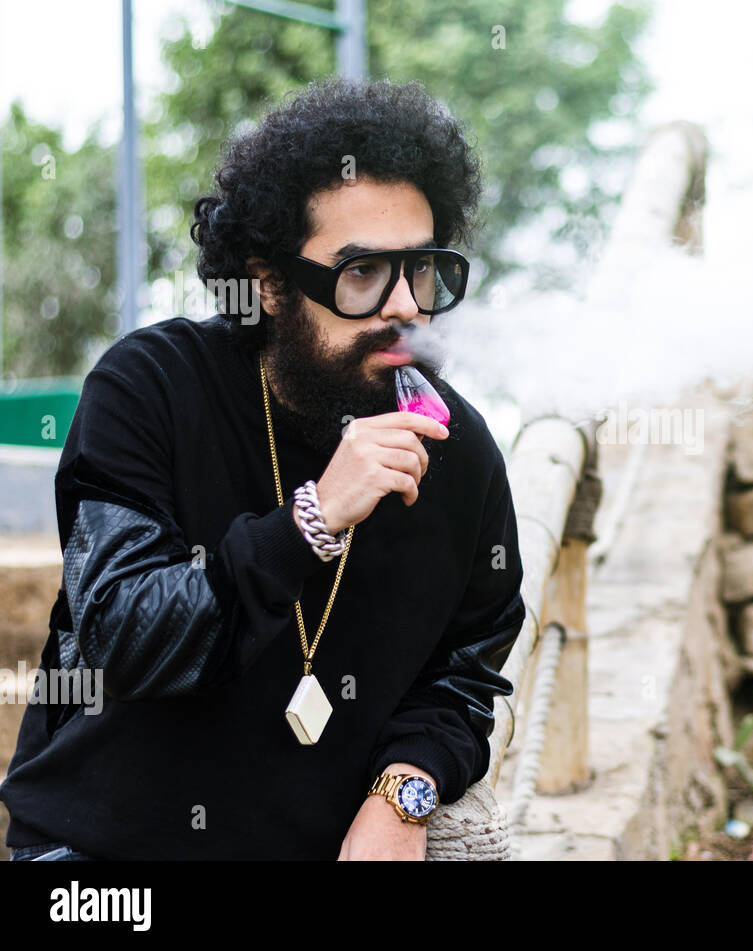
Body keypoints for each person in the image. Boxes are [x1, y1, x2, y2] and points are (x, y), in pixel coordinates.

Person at [0, 77, 525, 861]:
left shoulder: (460, 450)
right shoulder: (149, 387)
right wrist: (311, 519)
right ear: (270, 282)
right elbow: (125, 635)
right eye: (361, 274)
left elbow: (469, 668)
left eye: (421, 269)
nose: (407, 307)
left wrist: (403, 794)